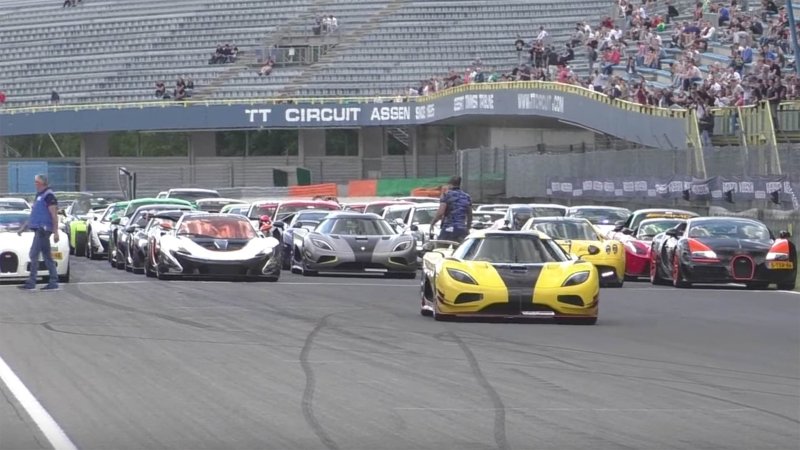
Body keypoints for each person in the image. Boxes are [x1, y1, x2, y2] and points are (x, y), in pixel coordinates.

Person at [17, 174, 60, 291]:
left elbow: (54, 215)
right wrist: (23, 227)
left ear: (42, 183)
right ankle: (53, 281)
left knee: (34, 254)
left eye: (36, 182)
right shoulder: (39, 196)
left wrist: (56, 232)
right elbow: (34, 214)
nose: (35, 184)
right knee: (46, 255)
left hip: (43, 229)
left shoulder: (49, 196)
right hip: (39, 229)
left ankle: (33, 282)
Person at [430, 176, 472, 243]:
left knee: (440, 246)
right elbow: (470, 215)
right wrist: (467, 228)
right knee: (461, 248)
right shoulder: (467, 196)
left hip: (448, 227)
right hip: (461, 229)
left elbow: (440, 213)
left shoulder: (446, 195)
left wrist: (432, 223)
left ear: (450, 184)